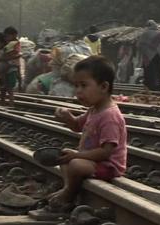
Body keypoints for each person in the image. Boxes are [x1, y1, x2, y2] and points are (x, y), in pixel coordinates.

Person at [50, 56, 127, 211]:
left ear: (104, 87)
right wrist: (68, 118)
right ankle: (69, 187)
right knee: (64, 157)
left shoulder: (109, 116)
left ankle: (69, 194)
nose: (78, 91)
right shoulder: (94, 109)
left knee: (75, 164)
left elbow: (105, 153)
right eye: (76, 86)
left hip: (108, 166)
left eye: (83, 86)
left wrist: (76, 155)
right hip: (92, 161)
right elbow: (78, 126)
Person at [0, 27, 22, 105]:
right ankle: (3, 102)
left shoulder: (14, 45)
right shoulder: (0, 50)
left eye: (7, 36)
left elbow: (17, 58)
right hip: (5, 70)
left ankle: (11, 103)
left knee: (9, 89)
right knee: (3, 89)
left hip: (11, 71)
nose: (7, 39)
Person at [137, 20, 160, 91]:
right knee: (158, 72)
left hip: (148, 57)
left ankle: (149, 87)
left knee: (149, 72)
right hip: (159, 57)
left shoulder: (145, 34)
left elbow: (139, 45)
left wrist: (147, 51)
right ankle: (158, 87)